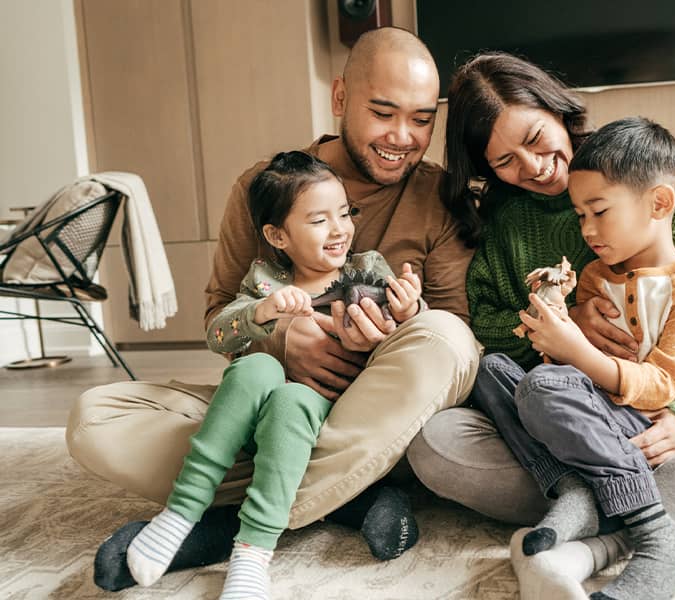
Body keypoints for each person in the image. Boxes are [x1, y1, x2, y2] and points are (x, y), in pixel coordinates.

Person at [406, 52, 675, 599]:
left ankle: (598, 536)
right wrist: (563, 328)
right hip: (568, 418)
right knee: (437, 444)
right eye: (505, 161)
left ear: (559, 111)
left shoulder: (640, 182)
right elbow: (484, 326)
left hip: (660, 412)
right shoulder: (501, 224)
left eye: (538, 138)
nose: (535, 166)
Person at [67, 28, 481, 591]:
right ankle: (343, 496)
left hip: (376, 411)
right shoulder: (266, 188)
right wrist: (279, 337)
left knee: (446, 338)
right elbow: (219, 313)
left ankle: (224, 527)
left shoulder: (440, 197)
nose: (403, 137)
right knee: (95, 420)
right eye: (383, 112)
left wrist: (387, 332)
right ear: (339, 98)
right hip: (273, 402)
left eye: (422, 119)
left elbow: (455, 340)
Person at [124, 151, 424, 598]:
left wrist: (409, 308)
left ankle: (252, 549)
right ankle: (182, 512)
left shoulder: (369, 270)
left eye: (344, 213)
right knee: (258, 366)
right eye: (320, 220)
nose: (339, 228)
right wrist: (261, 312)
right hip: (252, 423)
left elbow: (414, 345)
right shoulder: (265, 280)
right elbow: (217, 336)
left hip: (335, 424)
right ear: (277, 235)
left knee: (293, 399)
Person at [473, 117, 675, 600]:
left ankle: (656, 535)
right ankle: (575, 491)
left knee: (542, 388)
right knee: (491, 370)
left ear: (660, 204)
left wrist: (574, 351)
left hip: (637, 426)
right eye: (579, 214)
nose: (586, 230)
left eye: (598, 212)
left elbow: (660, 386)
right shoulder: (591, 278)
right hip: (581, 414)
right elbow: (557, 371)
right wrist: (553, 315)